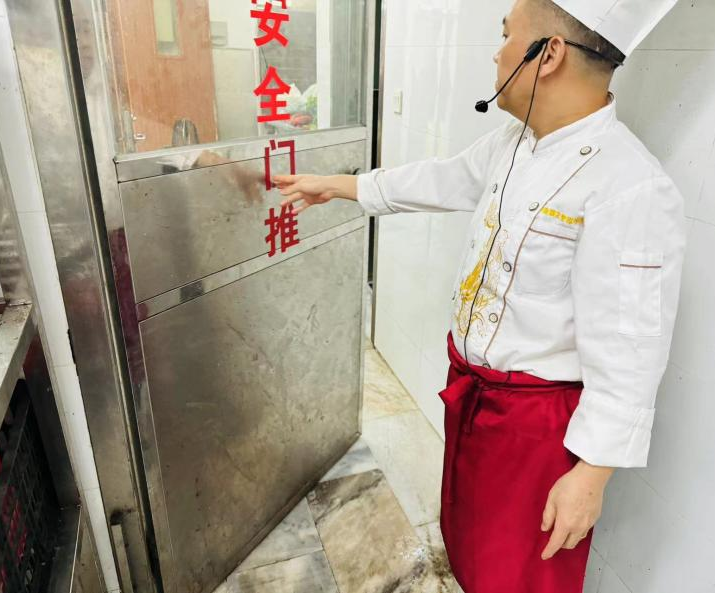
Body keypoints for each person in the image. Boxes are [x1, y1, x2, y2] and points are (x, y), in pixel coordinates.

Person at [273, 0, 686, 591]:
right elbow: (441, 178)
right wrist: (340, 185)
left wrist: (591, 476)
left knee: (517, 573)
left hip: (537, 429)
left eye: (507, 35)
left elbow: (633, 351)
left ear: (548, 54)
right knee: (469, 545)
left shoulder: (631, 185)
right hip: (474, 400)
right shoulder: (513, 144)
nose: (496, 53)